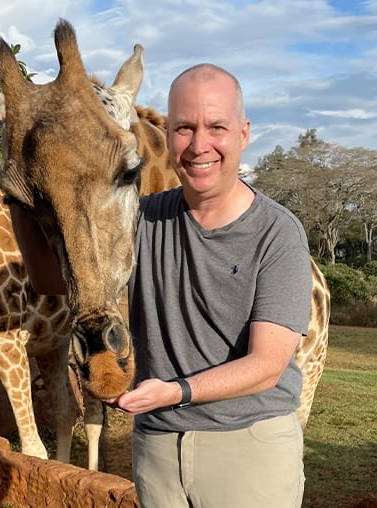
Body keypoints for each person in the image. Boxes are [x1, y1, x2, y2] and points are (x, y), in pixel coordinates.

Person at [111, 63, 313, 508]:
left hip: (249, 449)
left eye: (216, 127)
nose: (199, 145)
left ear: (243, 132)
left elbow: (267, 365)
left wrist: (175, 392)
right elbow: (53, 280)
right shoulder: (140, 219)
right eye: (184, 128)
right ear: (168, 137)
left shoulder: (277, 233)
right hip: (158, 448)